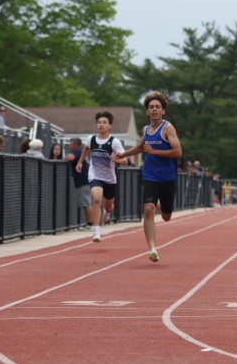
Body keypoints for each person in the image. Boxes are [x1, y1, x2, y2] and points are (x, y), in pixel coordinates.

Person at [114, 93, 182, 262]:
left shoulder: (168, 128)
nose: (154, 110)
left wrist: (154, 151)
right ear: (147, 111)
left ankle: (161, 204)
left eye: (157, 107)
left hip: (167, 177)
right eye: (151, 107)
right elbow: (140, 147)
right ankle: (152, 248)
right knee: (148, 209)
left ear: (163, 111)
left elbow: (178, 152)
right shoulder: (146, 129)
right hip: (150, 175)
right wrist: (123, 154)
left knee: (166, 217)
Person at [77, 112, 127, 244]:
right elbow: (86, 149)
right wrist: (80, 162)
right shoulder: (91, 139)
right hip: (95, 175)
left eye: (104, 122)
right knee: (97, 198)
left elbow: (126, 161)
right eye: (99, 122)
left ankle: (107, 213)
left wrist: (117, 160)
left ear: (110, 126)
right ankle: (96, 231)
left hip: (110, 177)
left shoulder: (114, 142)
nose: (101, 125)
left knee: (109, 206)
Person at [66, 137, 96, 228]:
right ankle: (90, 223)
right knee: (86, 203)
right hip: (84, 181)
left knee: (86, 203)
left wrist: (66, 156)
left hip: (83, 181)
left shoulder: (78, 151)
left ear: (74, 144)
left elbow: (70, 157)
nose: (69, 145)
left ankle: (91, 224)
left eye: (70, 143)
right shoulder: (81, 152)